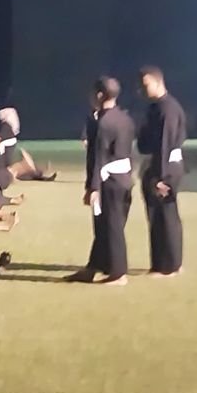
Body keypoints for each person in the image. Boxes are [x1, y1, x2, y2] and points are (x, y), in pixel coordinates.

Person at [69, 77, 136, 285]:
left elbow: (99, 157)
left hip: (109, 181)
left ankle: (118, 273)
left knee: (112, 227)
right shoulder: (125, 118)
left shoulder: (103, 123)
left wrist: (93, 187)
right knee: (105, 226)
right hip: (123, 178)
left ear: (99, 95)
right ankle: (94, 267)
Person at [138, 67, 185, 277]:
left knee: (164, 216)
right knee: (161, 216)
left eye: (146, 85)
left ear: (158, 82)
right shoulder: (157, 108)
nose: (142, 90)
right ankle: (167, 263)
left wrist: (162, 177)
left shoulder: (167, 109)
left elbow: (165, 144)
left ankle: (168, 266)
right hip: (159, 165)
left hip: (164, 168)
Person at [0, 108, 21, 176]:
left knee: (2, 159)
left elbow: (0, 138)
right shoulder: (9, 126)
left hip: (6, 144)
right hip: (10, 143)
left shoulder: (6, 125)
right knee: (7, 160)